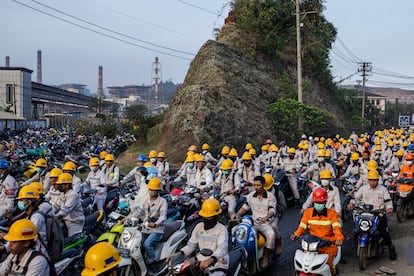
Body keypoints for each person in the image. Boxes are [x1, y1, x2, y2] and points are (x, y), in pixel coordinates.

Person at [167, 198, 229, 276]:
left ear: (216, 216)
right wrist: (178, 254)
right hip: (200, 261)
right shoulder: (198, 227)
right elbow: (190, 246)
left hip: (218, 263)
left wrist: (210, 260)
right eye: (205, 217)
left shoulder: (222, 229)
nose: (207, 219)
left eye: (210, 217)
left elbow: (222, 249)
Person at [291, 187, 344, 274]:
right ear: (313, 202)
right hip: (311, 245)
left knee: (328, 264)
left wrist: (339, 239)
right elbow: (302, 227)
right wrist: (296, 235)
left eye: (321, 202)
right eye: (317, 202)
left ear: (325, 202)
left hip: (328, 245)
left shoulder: (332, 214)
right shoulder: (308, 213)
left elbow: (337, 228)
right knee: (302, 264)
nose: (319, 204)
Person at [348, 170, 397, 260]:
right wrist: (351, 203)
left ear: (378, 180)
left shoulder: (383, 189)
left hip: (379, 214)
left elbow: (388, 201)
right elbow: (356, 198)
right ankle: (357, 248)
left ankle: (391, 248)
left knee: (384, 232)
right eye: (371, 180)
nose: (372, 182)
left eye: (374, 180)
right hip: (365, 214)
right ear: (368, 180)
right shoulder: (363, 188)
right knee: (356, 231)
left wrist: (389, 208)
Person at [232, 176, 276, 269]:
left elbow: (272, 209)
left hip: (264, 223)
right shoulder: (250, 195)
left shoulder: (270, 196)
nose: (256, 187)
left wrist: (267, 216)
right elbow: (245, 207)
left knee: (271, 234)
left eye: (258, 185)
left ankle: (265, 257)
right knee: (235, 231)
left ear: (263, 185)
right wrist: (237, 215)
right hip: (252, 222)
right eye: (254, 185)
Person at [124, 177, 167, 265]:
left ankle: (154, 261)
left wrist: (155, 224)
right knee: (137, 243)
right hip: (145, 228)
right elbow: (138, 212)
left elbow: (163, 217)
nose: (151, 191)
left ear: (158, 191)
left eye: (154, 190)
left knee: (147, 244)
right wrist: (126, 218)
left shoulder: (163, 202)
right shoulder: (146, 200)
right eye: (150, 189)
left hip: (157, 229)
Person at [14, 186, 49, 258]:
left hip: (39, 254)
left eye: (21, 200)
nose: (19, 202)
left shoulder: (37, 217)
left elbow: (26, 234)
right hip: (32, 251)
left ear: (29, 202)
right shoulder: (29, 216)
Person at [263, 174, 285, 256]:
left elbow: (283, 207)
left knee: (273, 227)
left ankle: (278, 244)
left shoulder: (279, 193)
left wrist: (274, 206)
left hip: (275, 215)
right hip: (261, 214)